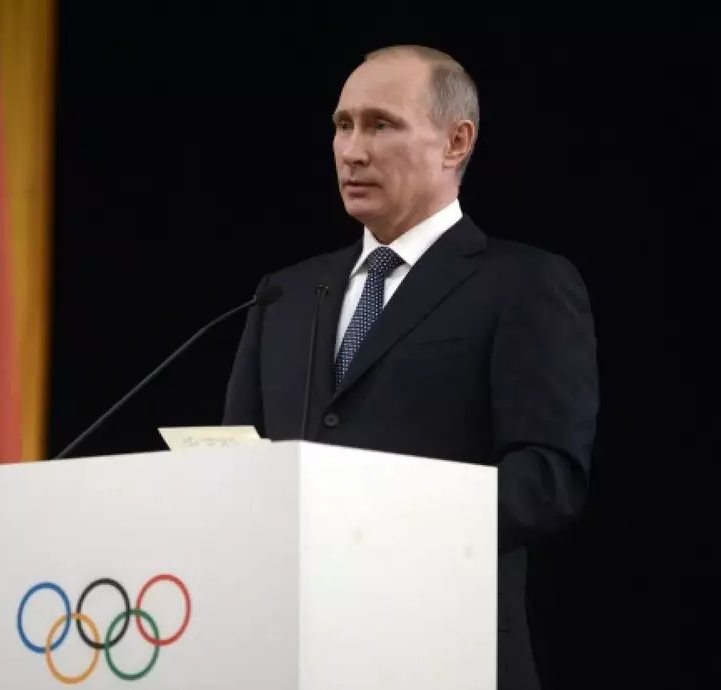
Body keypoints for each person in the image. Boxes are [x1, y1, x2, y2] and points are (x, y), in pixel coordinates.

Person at [222, 45, 599, 690]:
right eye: (343, 125)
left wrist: (380, 518)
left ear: (456, 142)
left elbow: (547, 478)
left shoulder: (524, 284)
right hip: (292, 647)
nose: (352, 151)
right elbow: (238, 460)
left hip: (442, 646)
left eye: (381, 125)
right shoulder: (285, 293)